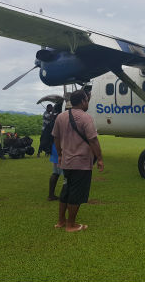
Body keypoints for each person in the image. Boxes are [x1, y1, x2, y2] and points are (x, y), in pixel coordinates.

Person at [52, 90, 104, 232]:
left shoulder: (60, 117)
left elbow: (56, 138)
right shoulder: (86, 118)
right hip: (81, 163)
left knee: (66, 190)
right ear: (82, 101)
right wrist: (99, 158)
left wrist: (61, 154)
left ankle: (61, 221)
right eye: (87, 100)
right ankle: (71, 225)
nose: (87, 102)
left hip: (66, 162)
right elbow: (93, 140)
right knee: (76, 193)